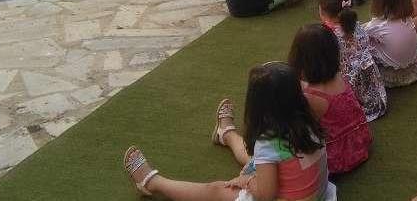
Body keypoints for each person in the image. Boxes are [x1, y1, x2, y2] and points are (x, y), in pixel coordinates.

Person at [123, 62, 335, 201]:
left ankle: (152, 182)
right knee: (256, 161)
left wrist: (247, 182)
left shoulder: (268, 142)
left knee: (216, 190)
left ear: (258, 105)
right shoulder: (307, 119)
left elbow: (266, 194)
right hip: (319, 194)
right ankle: (226, 134)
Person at [289, 23, 372, 174]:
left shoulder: (311, 97)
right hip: (360, 141)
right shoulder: (339, 77)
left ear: (299, 57)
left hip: (337, 157)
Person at [317, 0, 387, 122]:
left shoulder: (323, 37)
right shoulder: (360, 28)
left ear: (321, 9)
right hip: (375, 98)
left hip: (349, 99)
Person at [364, 0, 417, 87]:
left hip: (389, 76)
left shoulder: (377, 26)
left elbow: (358, 34)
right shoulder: (407, 19)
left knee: (361, 44)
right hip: (414, 71)